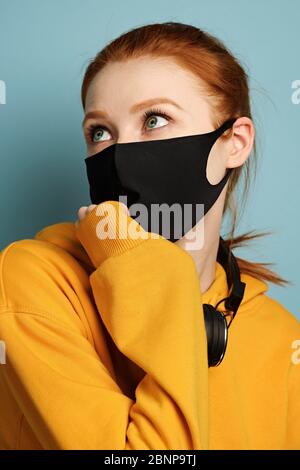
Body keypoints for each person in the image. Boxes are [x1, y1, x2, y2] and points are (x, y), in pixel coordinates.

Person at [0, 21, 299, 450]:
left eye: (155, 119)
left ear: (235, 141)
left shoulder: (282, 339)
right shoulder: (33, 283)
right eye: (99, 132)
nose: (119, 155)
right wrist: (139, 261)